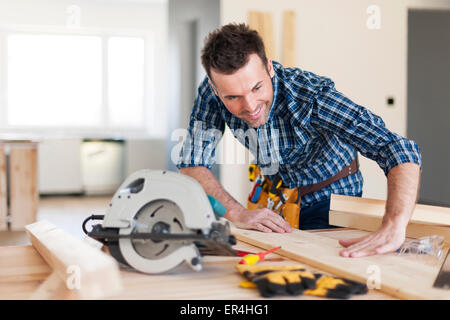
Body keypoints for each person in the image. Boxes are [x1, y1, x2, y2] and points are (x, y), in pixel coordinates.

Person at [176, 23, 422, 258]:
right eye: (233, 97)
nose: (250, 106)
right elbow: (192, 163)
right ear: (215, 87)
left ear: (269, 68)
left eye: (257, 88)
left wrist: (394, 224)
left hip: (330, 195)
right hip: (280, 195)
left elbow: (395, 148)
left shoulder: (311, 97)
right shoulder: (211, 94)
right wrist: (237, 213)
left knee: (325, 266)